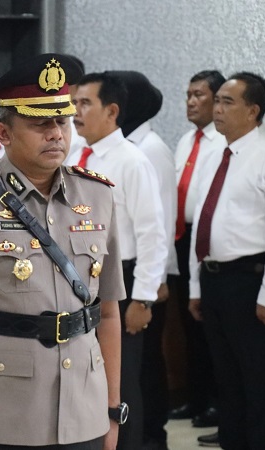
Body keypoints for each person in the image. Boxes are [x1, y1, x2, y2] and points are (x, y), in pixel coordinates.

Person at [0, 53, 124, 450]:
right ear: (3, 133)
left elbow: (109, 311)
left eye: (62, 122)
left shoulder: (98, 196)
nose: (56, 135)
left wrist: (112, 412)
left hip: (84, 410)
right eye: (39, 124)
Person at [69, 72, 168, 450]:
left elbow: (152, 235)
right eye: (75, 103)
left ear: (112, 111)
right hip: (78, 278)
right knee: (84, 375)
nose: (76, 112)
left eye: (86, 104)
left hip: (119, 281)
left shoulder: (132, 161)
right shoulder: (75, 153)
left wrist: (142, 300)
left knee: (121, 382)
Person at [188, 72, 265, 450]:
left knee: (258, 381)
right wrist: (197, 287)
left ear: (253, 110)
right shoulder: (216, 153)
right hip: (214, 280)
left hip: (252, 281)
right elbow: (204, 222)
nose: (218, 109)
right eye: (218, 102)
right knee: (225, 379)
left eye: (228, 102)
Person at [111, 70, 176, 450]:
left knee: (144, 365)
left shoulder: (149, 150)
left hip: (147, 276)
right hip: (135, 275)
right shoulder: (128, 146)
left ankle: (152, 436)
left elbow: (160, 220)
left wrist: (155, 284)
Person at [168, 71, 226, 437]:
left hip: (209, 241)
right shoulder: (187, 139)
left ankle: (217, 402)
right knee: (188, 324)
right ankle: (195, 395)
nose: (190, 102)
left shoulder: (223, 142)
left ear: (218, 100)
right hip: (181, 237)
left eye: (199, 95)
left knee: (210, 326)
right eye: (187, 94)